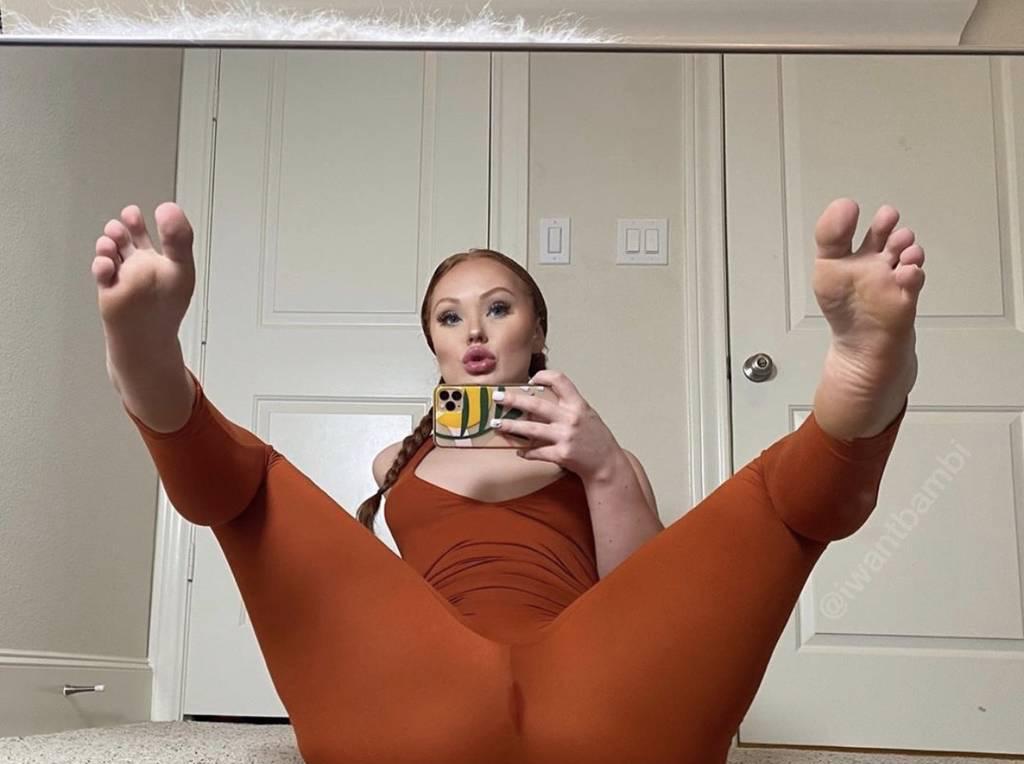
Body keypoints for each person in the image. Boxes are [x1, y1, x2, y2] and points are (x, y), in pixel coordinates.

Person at [92, 198, 924, 764]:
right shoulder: (395, 464)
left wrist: (601, 464)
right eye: (450, 316)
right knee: (254, 493)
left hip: (607, 702)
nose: (476, 332)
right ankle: (153, 373)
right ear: (433, 344)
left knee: (774, 507)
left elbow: (651, 608)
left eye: (499, 308)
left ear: (537, 330)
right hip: (420, 700)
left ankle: (859, 393)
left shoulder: (601, 454)